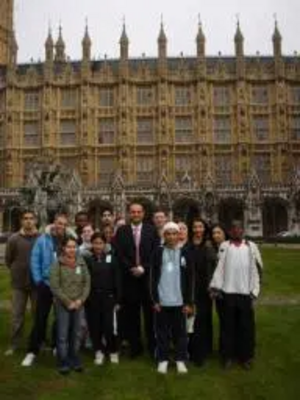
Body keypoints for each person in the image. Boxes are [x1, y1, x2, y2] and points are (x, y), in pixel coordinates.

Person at [209, 220, 263, 370]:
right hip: (228, 293)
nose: (236, 231)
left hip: (246, 294)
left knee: (246, 327)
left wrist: (255, 291)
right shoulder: (224, 246)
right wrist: (216, 287)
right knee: (228, 327)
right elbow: (220, 268)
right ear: (230, 232)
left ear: (243, 230)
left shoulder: (251, 247)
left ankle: (245, 357)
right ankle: (227, 356)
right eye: (233, 228)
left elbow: (258, 269)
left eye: (239, 228)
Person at [21, 213, 69, 367]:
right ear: (54, 223)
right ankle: (32, 351)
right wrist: (38, 281)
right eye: (58, 223)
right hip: (45, 285)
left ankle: (55, 345)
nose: (60, 226)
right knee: (40, 318)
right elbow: (35, 260)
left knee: (59, 318)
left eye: (63, 224)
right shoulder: (43, 240)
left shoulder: (68, 241)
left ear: (65, 226)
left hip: (62, 286)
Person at [115, 202, 159, 358]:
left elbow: (155, 253)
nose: (135, 214)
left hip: (147, 279)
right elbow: (119, 253)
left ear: (143, 213)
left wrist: (143, 268)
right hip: (130, 279)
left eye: (138, 212)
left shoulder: (151, 230)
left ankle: (153, 346)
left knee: (150, 314)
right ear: (129, 214)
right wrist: (132, 268)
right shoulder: (122, 231)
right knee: (132, 315)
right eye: (133, 212)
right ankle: (135, 347)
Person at [150, 222, 194, 374]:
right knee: (162, 332)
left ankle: (180, 359)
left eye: (174, 233)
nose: (171, 236)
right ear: (164, 235)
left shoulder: (185, 253)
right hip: (162, 301)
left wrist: (189, 302)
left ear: (178, 235)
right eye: (168, 233)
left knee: (180, 333)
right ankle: (163, 359)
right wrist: (155, 300)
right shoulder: (157, 252)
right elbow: (152, 277)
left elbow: (190, 279)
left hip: (180, 301)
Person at [50, 237, 90, 374]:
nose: (71, 249)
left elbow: (87, 283)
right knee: (62, 334)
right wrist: (68, 302)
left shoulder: (81, 262)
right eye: (69, 247)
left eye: (74, 247)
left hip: (79, 304)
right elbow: (55, 286)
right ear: (63, 248)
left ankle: (74, 357)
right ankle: (63, 360)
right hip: (63, 304)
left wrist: (80, 300)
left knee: (76, 333)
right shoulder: (58, 263)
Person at [4, 210, 40, 356]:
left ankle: (38, 341)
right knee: (17, 315)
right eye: (25, 218)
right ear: (21, 221)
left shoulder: (41, 238)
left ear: (36, 221)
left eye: (31, 218)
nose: (28, 221)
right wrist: (16, 270)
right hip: (18, 283)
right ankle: (14, 343)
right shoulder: (13, 239)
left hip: (36, 283)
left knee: (38, 315)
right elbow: (8, 259)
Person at [84, 233, 122, 365]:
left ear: (105, 245)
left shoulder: (112, 258)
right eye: (95, 243)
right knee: (95, 326)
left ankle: (112, 351)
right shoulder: (88, 260)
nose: (98, 246)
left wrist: (118, 300)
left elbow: (117, 280)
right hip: (92, 298)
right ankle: (98, 351)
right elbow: (85, 280)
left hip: (109, 298)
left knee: (109, 326)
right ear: (92, 244)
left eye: (100, 243)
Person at [188, 217, 216, 367]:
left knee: (204, 320)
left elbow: (214, 267)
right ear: (192, 229)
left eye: (200, 227)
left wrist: (212, 286)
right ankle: (192, 351)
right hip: (191, 287)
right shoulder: (188, 246)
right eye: (195, 227)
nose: (198, 230)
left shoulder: (209, 246)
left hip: (205, 288)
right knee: (192, 319)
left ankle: (204, 352)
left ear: (204, 229)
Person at [210, 223, 229, 358]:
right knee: (224, 321)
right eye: (214, 233)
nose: (216, 235)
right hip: (219, 292)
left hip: (232, 290)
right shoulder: (211, 249)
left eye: (219, 232)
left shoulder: (230, 247)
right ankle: (225, 351)